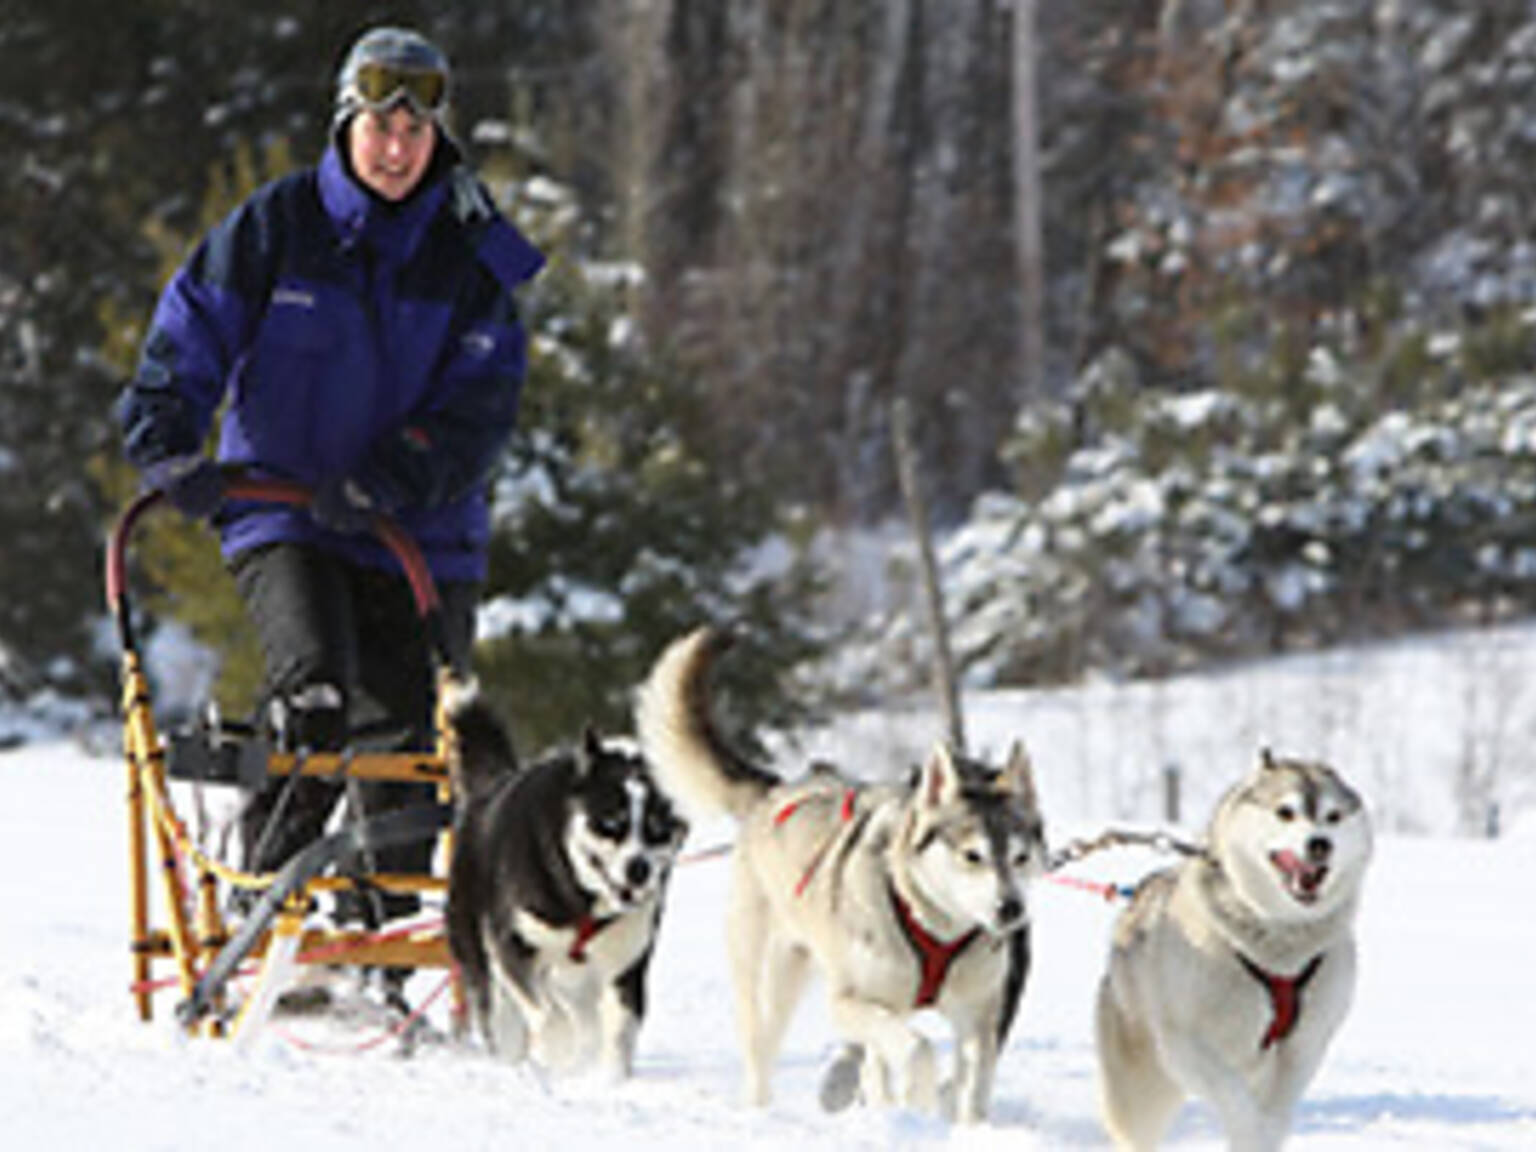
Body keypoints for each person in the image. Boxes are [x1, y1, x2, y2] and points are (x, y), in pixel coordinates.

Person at [115, 27, 544, 945]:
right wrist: (171, 447)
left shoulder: (474, 253)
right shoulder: (276, 227)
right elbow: (185, 341)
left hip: (420, 533)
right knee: (311, 696)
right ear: (347, 122)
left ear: (438, 138)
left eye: (415, 133)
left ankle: (379, 939)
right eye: (380, 127)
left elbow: (485, 406)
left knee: (409, 747)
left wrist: (393, 475)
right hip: (287, 516)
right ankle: (266, 910)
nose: (396, 150)